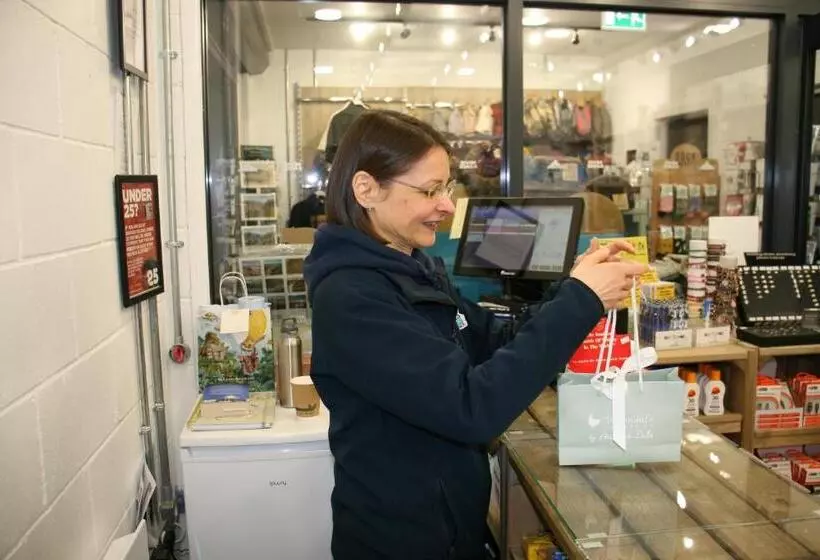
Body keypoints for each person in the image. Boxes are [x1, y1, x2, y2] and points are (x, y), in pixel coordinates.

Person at [303, 110, 647, 560]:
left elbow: (494, 341)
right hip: (401, 543)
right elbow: (471, 407)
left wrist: (574, 287)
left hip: (450, 528)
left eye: (446, 187)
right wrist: (581, 301)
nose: (447, 206)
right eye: (429, 191)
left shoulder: (414, 272)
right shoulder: (354, 298)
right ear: (366, 189)